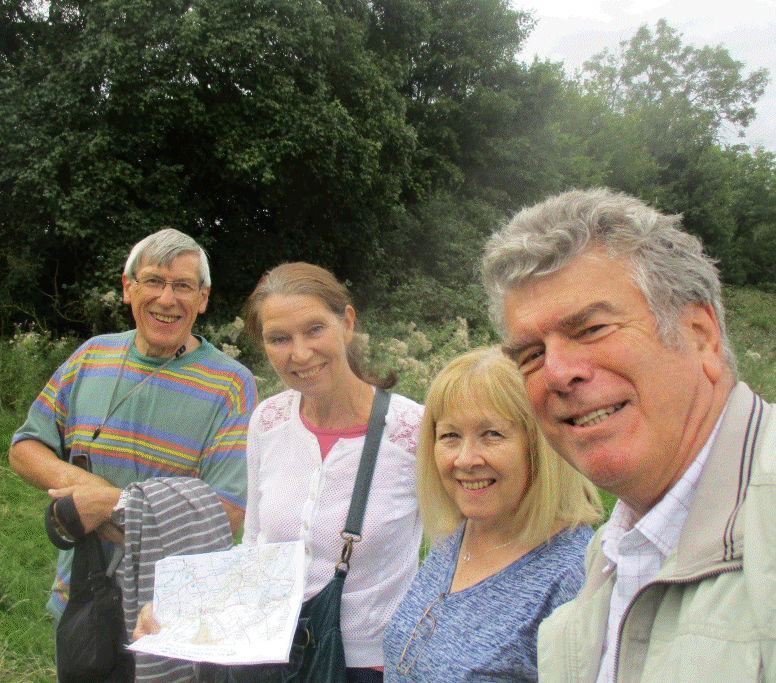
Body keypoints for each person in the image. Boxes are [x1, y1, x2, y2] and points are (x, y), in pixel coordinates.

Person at [481, 187, 776, 682]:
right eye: (531, 355)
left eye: (592, 329)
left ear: (700, 334)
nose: (556, 373)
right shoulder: (613, 552)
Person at [137, 262, 424, 682]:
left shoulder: (413, 431)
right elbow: (255, 547)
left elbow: (456, 557)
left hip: (373, 665)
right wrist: (178, 609)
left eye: (314, 330)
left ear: (346, 323)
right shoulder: (268, 422)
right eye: (279, 338)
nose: (300, 354)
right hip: (273, 660)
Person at [9, 228, 258, 680]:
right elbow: (26, 447)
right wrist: (89, 489)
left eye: (183, 286)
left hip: (169, 611)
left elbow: (228, 511)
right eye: (153, 281)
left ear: (202, 298)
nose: (167, 298)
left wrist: (110, 506)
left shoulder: (231, 384)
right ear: (128, 288)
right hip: (82, 595)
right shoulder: (91, 356)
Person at [382, 346, 602, 682]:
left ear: (539, 445)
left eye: (492, 434)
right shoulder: (458, 534)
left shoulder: (574, 576)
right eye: (450, 436)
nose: (465, 459)